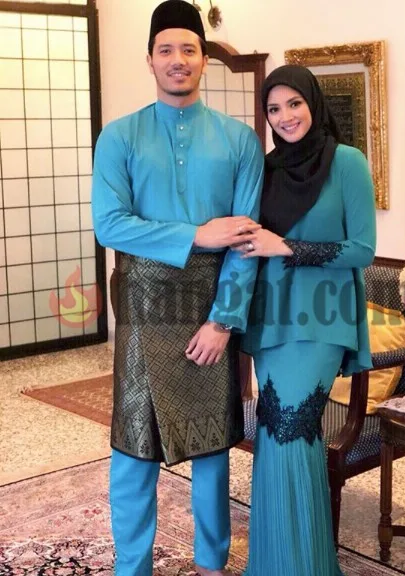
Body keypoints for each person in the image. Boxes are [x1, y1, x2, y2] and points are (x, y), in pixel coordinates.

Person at [91, 1, 264, 575]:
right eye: (165, 49)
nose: (177, 59)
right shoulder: (119, 136)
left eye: (188, 48)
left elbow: (246, 241)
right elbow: (110, 225)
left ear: (204, 59)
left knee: (212, 449)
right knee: (133, 446)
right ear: (150, 60)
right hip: (144, 306)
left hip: (211, 306)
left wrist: (223, 321)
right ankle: (132, 567)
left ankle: (211, 563)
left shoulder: (240, 141)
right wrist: (197, 234)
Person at [236, 65, 377, 576]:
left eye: (294, 103)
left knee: (293, 433)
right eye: (274, 109)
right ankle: (280, 564)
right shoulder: (266, 169)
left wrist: (288, 247)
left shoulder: (347, 162)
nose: (285, 116)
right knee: (275, 438)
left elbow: (362, 249)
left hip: (321, 321)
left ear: (313, 103)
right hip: (270, 321)